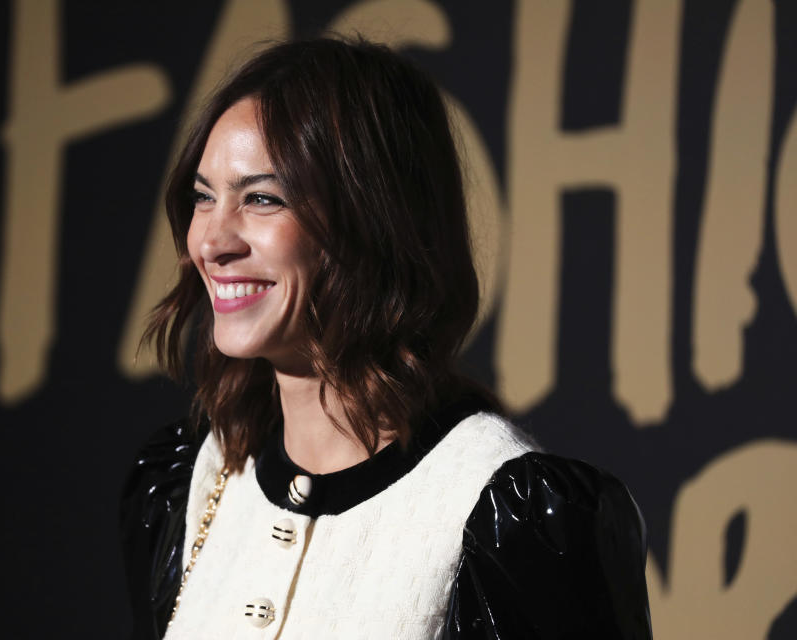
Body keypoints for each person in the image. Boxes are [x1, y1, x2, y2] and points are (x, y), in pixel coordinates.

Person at [121, 37, 652, 639]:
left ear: (372, 220)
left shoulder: (508, 519)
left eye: (262, 199)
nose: (212, 242)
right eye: (203, 197)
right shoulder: (191, 485)